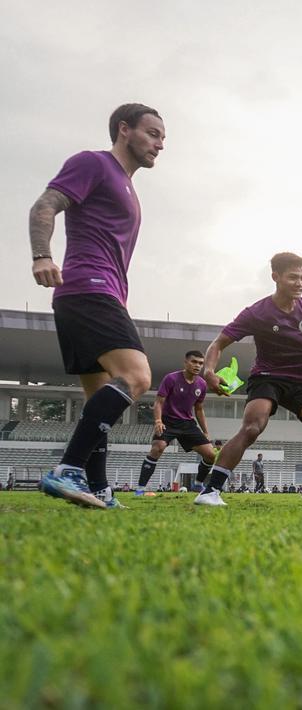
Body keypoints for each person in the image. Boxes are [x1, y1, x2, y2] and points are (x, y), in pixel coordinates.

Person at [33, 103, 165, 510]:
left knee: (99, 399)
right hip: (91, 289)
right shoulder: (93, 163)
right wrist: (41, 254)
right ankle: (67, 468)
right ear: (124, 130)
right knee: (137, 376)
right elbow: (44, 205)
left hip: (86, 295)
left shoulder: (129, 187)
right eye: (153, 133)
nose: (160, 144)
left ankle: (99, 488)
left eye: (163, 138)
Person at [196, 252, 302, 506]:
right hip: (268, 377)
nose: (299, 283)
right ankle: (210, 491)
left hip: (301, 381)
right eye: (293, 278)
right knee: (253, 427)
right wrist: (208, 372)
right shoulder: (257, 312)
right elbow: (219, 343)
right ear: (275, 277)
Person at [136, 350, 218, 497]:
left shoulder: (202, 384)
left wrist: (205, 431)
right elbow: (158, 402)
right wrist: (158, 421)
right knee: (157, 448)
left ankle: (198, 485)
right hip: (167, 421)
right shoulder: (171, 378)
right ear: (185, 362)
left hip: (187, 424)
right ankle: (140, 489)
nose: (197, 365)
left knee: (211, 455)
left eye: (200, 363)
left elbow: (199, 409)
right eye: (194, 362)